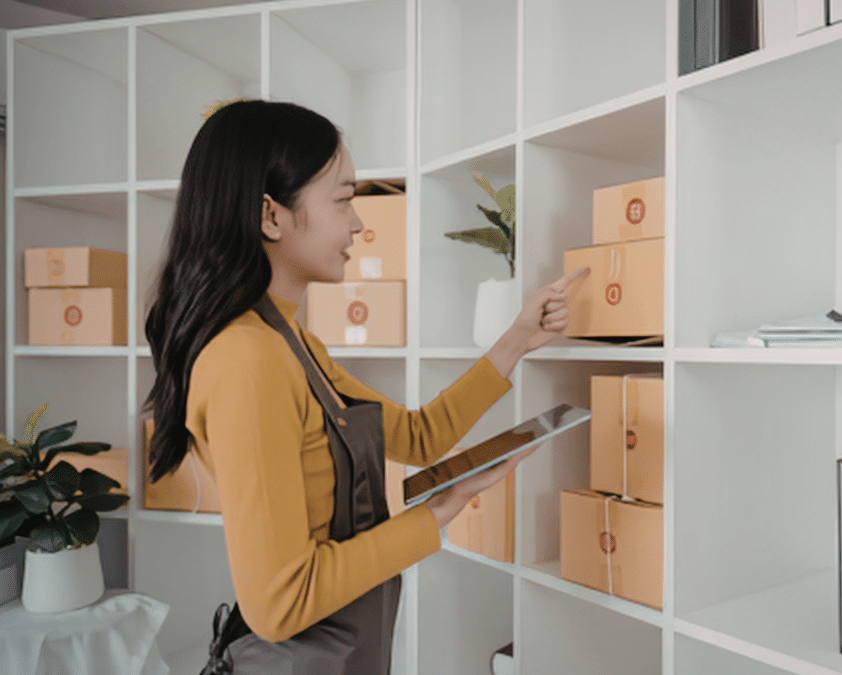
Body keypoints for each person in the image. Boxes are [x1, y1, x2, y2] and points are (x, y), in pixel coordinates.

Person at [143, 99, 588, 675]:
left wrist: (517, 339)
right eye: (345, 200)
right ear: (270, 216)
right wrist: (435, 515)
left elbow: (420, 436)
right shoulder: (248, 361)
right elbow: (279, 605)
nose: (358, 223)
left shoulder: (291, 343)